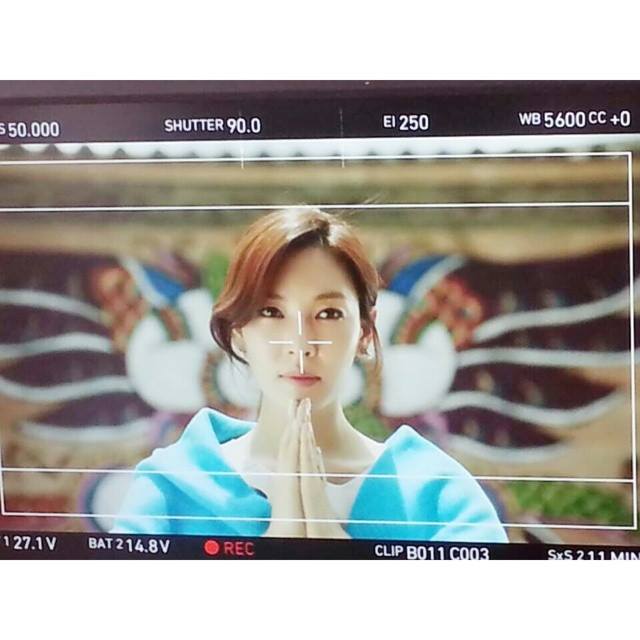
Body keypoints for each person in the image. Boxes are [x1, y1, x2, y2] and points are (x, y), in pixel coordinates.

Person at [111, 207, 508, 542]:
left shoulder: (442, 500)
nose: (300, 343)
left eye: (329, 313)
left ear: (364, 331)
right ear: (238, 333)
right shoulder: (169, 491)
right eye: (271, 311)